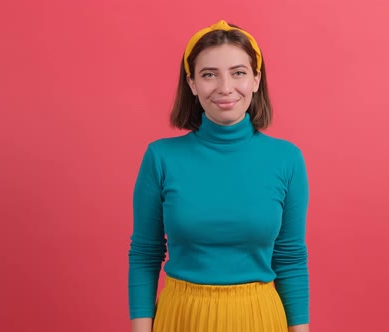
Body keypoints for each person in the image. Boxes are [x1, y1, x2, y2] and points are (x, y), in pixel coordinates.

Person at [128, 20, 310, 332]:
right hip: (181, 317)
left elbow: (290, 259)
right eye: (209, 74)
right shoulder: (160, 158)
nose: (225, 87)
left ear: (255, 80)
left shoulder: (286, 159)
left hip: (260, 318)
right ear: (192, 83)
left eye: (238, 72)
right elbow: (145, 254)